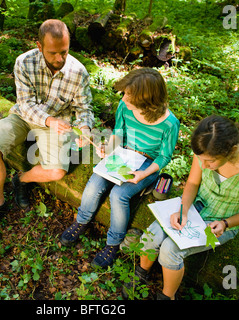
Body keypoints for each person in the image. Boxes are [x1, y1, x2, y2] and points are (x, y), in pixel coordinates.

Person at [123, 115, 239, 300]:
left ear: (231, 150)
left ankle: (168, 296)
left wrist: (226, 223)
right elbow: (193, 182)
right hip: (195, 207)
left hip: (221, 222)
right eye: (201, 159)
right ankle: (141, 272)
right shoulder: (205, 149)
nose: (203, 165)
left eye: (209, 161)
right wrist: (183, 209)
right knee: (152, 235)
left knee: (171, 249)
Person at [0, 19, 94, 233]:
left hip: (56, 125)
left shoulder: (79, 72)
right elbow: (25, 104)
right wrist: (48, 119)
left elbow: (84, 109)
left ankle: (21, 180)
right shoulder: (24, 62)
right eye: (53, 53)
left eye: (65, 52)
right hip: (24, 116)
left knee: (58, 171)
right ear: (39, 46)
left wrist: (84, 128)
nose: (60, 59)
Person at [60, 68, 180, 268]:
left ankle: (113, 243)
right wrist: (109, 148)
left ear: (147, 100)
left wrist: (143, 174)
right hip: (123, 154)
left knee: (119, 195)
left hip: (147, 163)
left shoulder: (169, 123)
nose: (123, 98)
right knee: (95, 180)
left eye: (129, 95)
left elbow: (164, 156)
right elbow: (118, 132)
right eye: (124, 93)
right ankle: (81, 222)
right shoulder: (124, 107)